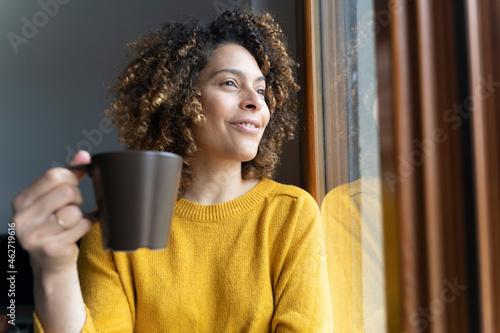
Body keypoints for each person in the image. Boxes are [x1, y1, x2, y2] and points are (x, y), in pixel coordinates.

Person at [11, 6, 333, 332]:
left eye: (261, 90)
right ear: (181, 100)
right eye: (230, 83)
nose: (256, 102)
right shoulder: (115, 224)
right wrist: (54, 271)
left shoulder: (291, 214)